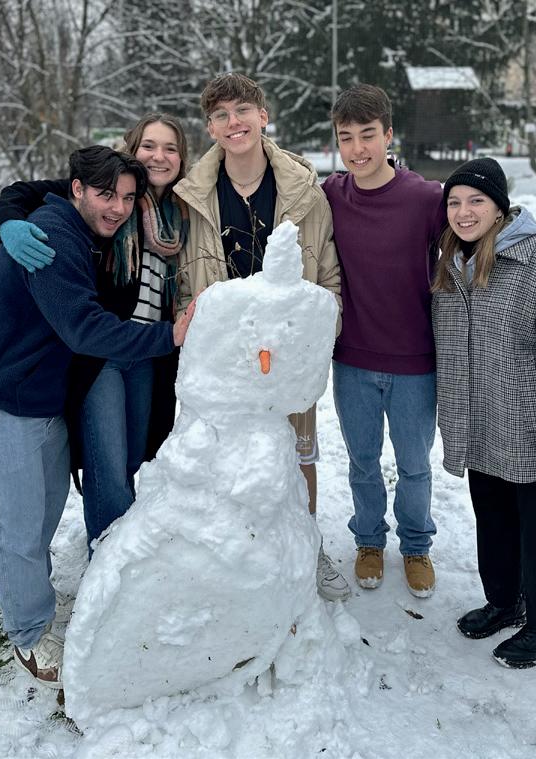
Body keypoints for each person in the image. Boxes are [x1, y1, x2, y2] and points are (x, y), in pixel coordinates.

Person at [0, 145, 195, 689]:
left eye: (127, 198)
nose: (117, 207)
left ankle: (29, 596)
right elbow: (83, 328)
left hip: (39, 397)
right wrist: (171, 336)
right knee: (16, 525)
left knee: (40, 516)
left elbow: (34, 190)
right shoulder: (54, 236)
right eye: (106, 194)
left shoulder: (82, 225)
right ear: (78, 190)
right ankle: (28, 630)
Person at [173, 72, 349, 602]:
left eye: (243, 111)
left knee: (298, 454)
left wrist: (315, 337)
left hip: (286, 356)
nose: (234, 123)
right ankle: (235, 557)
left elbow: (329, 277)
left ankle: (307, 549)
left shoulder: (304, 192)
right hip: (223, 358)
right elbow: (183, 282)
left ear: (263, 116)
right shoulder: (191, 196)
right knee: (223, 458)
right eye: (221, 115)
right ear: (210, 128)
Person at [0, 114, 189, 553]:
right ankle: (110, 561)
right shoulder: (107, 193)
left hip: (150, 351)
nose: (159, 156)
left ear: (182, 157)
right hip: (102, 352)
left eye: (170, 148)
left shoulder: (185, 207)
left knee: (135, 453)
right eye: (149, 145)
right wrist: (7, 223)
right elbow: (23, 193)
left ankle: (121, 540)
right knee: (107, 460)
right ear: (132, 149)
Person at [432, 156, 536, 668]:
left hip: (533, 430)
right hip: (481, 423)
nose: (464, 212)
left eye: (476, 201)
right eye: (454, 202)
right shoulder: (451, 265)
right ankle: (505, 600)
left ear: (500, 208)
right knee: (493, 521)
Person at [322, 84, 446, 598]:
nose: (358, 149)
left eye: (368, 135)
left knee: (414, 466)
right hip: (352, 359)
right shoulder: (331, 196)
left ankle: (416, 546)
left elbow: (480, 227)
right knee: (363, 462)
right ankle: (369, 540)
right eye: (346, 137)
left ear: (388, 135)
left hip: (415, 361)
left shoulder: (424, 198)